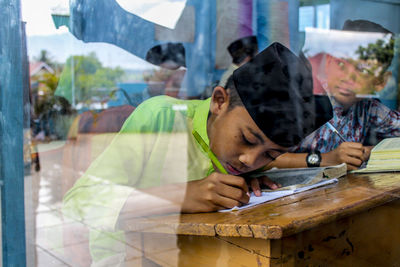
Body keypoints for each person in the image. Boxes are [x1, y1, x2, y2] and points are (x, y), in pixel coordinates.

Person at [62, 42, 331, 264]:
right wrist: (180, 196)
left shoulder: (246, 164)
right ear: (219, 101)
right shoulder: (162, 118)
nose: (250, 160)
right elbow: (79, 202)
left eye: (269, 155)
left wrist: (255, 178)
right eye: (247, 139)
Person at [265, 20, 400, 174]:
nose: (348, 78)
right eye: (341, 64)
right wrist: (325, 159)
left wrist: (370, 151)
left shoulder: (368, 106)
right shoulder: (302, 98)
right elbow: (256, 159)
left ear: (380, 82)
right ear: (328, 62)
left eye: (363, 70)